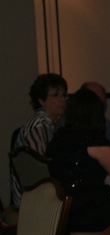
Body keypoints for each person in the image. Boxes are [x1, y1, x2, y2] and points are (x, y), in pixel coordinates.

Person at [46, 88, 110, 232]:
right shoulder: (94, 141)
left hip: (61, 212)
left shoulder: (59, 137)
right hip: (88, 212)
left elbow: (83, 167)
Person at [10, 73, 68, 207]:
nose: (62, 100)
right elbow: (39, 171)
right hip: (31, 200)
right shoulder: (39, 126)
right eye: (55, 95)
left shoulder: (49, 124)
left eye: (63, 95)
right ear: (41, 100)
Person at [80, 81, 110, 145]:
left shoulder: (106, 124)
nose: (99, 105)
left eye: (102, 101)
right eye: (95, 101)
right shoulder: (70, 123)